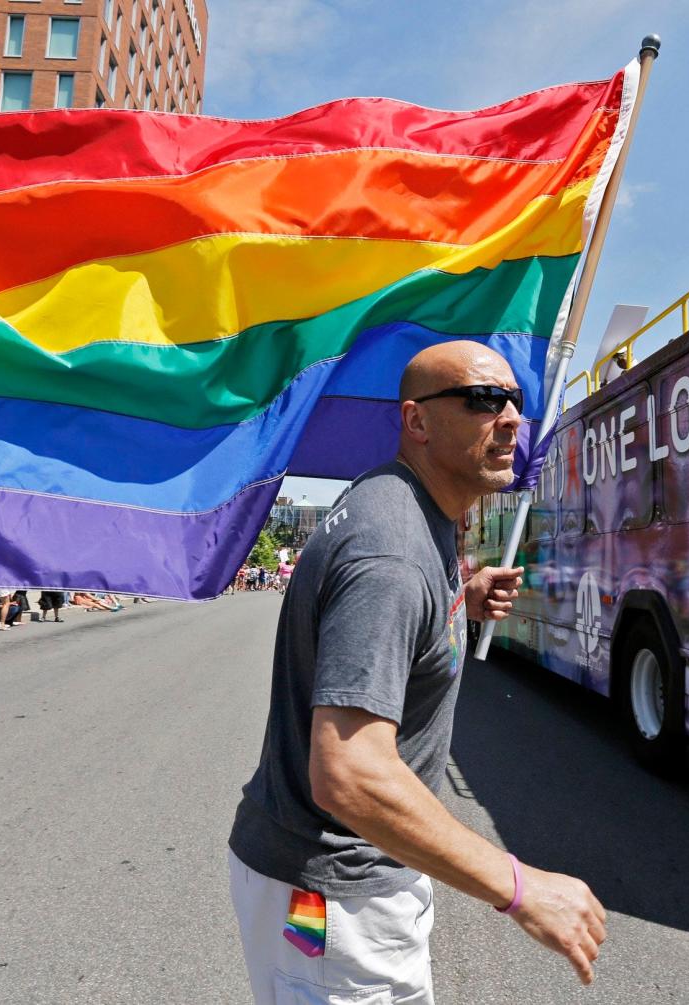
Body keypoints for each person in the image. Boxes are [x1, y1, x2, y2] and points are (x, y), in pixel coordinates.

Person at [228, 341, 607, 1002]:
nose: (512, 418)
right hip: (334, 901)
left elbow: (394, 601)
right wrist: (520, 886)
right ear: (418, 420)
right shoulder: (393, 550)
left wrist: (460, 592)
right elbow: (349, 771)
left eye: (513, 400)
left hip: (338, 885)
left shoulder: (402, 505)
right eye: (484, 399)